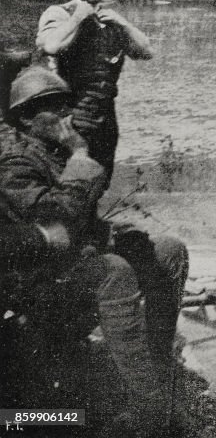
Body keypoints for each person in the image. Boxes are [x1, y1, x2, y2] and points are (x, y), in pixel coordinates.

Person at [0, 66, 189, 434]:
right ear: (24, 119)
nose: (65, 113)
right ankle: (145, 403)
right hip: (34, 284)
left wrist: (113, 233)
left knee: (168, 250)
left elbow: (80, 224)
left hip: (69, 268)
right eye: (50, 107)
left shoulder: (60, 153)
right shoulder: (15, 166)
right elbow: (52, 225)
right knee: (113, 271)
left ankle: (157, 366)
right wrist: (80, 159)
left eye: (65, 103)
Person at [36, 0, 154, 181]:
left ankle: (93, 216)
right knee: (72, 177)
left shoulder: (110, 19)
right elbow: (51, 46)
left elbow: (146, 52)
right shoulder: (60, 13)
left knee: (101, 178)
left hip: (105, 113)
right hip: (72, 111)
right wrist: (79, 18)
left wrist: (124, 24)